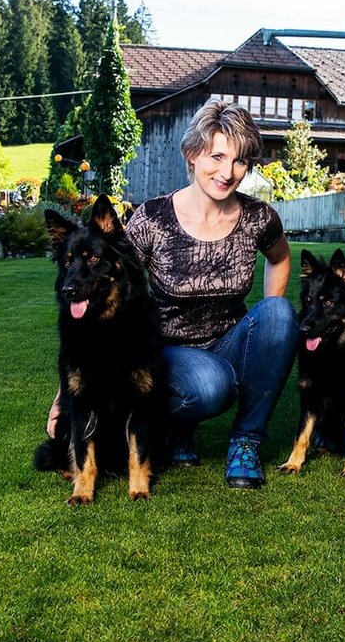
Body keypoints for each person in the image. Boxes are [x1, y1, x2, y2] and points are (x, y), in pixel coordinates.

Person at [123, 99, 297, 488]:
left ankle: (246, 443)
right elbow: (110, 295)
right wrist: (64, 396)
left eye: (239, 161)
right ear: (192, 153)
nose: (227, 172)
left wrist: (269, 320)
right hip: (166, 351)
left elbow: (280, 258)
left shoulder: (258, 217)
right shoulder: (151, 219)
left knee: (280, 314)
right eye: (217, 156)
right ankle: (171, 426)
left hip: (228, 343)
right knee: (210, 385)